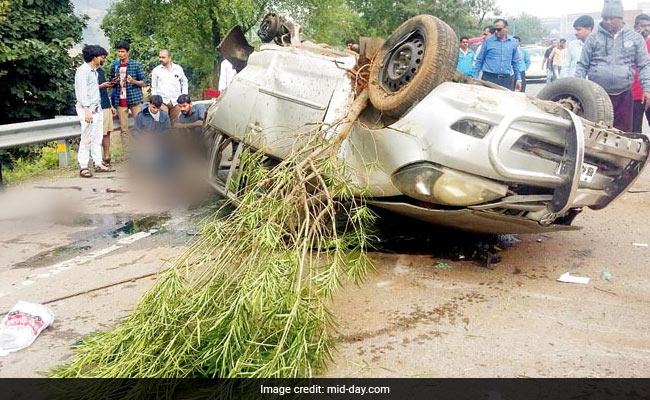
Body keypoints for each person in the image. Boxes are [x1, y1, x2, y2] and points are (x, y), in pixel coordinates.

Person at [576, 0, 650, 132]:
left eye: (612, 18)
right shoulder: (593, 38)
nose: (608, 21)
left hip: (624, 94)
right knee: (597, 132)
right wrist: (578, 90)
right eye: (605, 18)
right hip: (597, 95)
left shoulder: (635, 38)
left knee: (624, 133)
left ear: (621, 19)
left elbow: (644, 65)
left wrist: (647, 89)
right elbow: (582, 65)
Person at [74, 45, 112, 178]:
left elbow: (92, 89)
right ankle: (83, 166)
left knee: (97, 137)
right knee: (86, 138)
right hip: (87, 109)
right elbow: (81, 91)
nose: (103, 60)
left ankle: (98, 162)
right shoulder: (83, 71)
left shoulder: (94, 71)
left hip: (97, 108)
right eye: (102, 57)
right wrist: (86, 110)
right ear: (94, 58)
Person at [109, 41, 146, 155]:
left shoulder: (136, 64)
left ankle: (142, 149)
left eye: (122, 52)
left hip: (134, 100)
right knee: (124, 129)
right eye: (118, 51)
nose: (120, 54)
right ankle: (127, 152)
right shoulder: (114, 66)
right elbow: (111, 82)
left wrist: (133, 81)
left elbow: (144, 82)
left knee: (140, 126)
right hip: (120, 101)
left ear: (128, 52)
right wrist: (113, 82)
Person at [473, 19, 521, 91]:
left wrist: (518, 79)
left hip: (506, 80)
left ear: (506, 28)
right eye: (494, 29)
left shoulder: (512, 42)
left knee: (505, 101)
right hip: (489, 78)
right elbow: (480, 60)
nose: (496, 31)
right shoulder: (488, 42)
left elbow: (515, 62)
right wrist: (475, 77)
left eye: (499, 29)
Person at [151, 49, 188, 127]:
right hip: (162, 102)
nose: (160, 59)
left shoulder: (178, 69)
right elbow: (153, 87)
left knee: (176, 126)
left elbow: (184, 82)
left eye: (163, 57)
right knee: (162, 126)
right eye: (160, 57)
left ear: (169, 58)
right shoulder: (156, 70)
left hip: (176, 102)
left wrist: (184, 96)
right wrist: (155, 100)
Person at [632, 14, 650, 133]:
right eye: (643, 26)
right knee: (634, 129)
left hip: (648, 92)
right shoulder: (629, 45)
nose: (646, 28)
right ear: (635, 27)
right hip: (634, 94)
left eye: (649, 25)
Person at [97, 67, 116, 168]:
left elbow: (105, 91)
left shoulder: (100, 71)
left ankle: (107, 156)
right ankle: (97, 159)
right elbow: (86, 89)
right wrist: (101, 86)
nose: (103, 60)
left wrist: (110, 105)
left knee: (107, 132)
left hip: (105, 104)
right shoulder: (86, 71)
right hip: (96, 106)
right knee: (98, 133)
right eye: (102, 57)